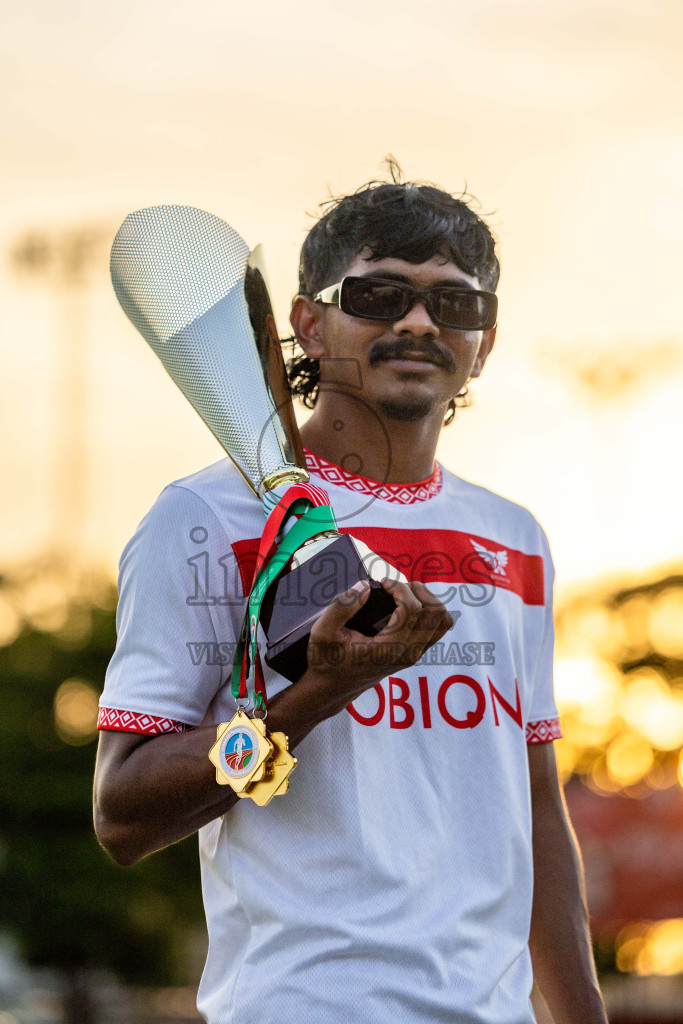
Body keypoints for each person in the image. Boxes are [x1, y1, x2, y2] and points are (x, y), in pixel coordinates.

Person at [93, 166, 608, 1024]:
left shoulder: (512, 537)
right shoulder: (203, 519)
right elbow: (123, 815)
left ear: (485, 340)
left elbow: (533, 809)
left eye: (455, 303)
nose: (417, 322)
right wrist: (314, 696)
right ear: (306, 321)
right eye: (378, 295)